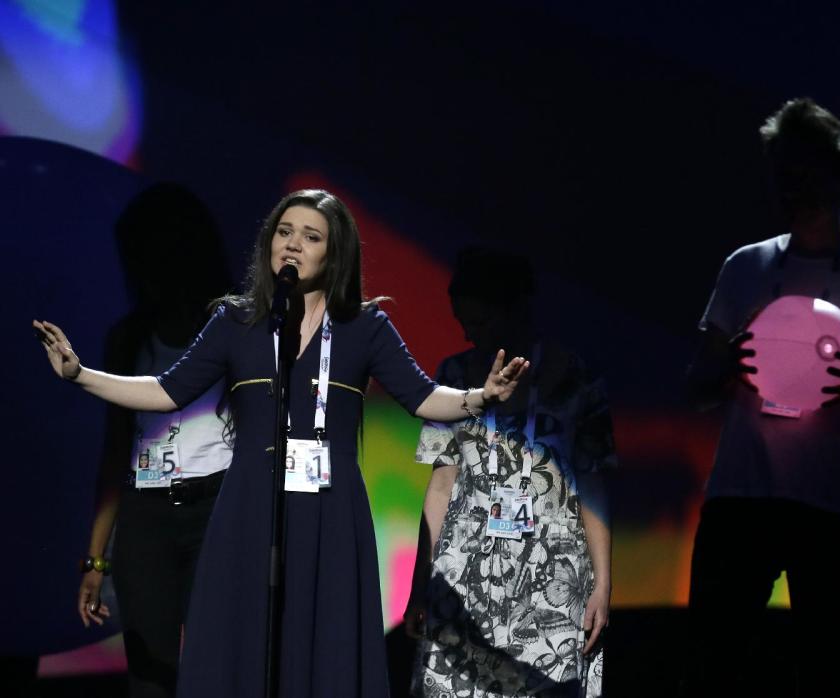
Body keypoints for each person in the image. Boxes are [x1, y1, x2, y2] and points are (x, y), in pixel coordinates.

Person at [34, 189, 529, 698]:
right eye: (284, 232)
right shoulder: (236, 321)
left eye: (310, 237)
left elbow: (425, 398)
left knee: (322, 649)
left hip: (330, 513)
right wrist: (81, 375)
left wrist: (480, 397)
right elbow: (166, 390)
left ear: (334, 254)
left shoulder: (365, 327)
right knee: (243, 646)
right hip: (248, 509)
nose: (293, 245)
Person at [683, 99, 840, 697]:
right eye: (782, 172)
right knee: (709, 671)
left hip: (832, 509)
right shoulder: (745, 268)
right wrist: (726, 373)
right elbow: (695, 390)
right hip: (740, 502)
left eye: (806, 171)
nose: (792, 186)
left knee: (824, 676)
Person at [405, 248, 615, 697]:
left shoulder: (575, 377)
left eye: (481, 321)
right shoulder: (455, 376)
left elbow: (593, 482)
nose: (469, 332)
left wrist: (603, 582)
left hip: (550, 578)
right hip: (464, 572)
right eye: (463, 321)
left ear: (516, 310)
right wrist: (420, 585)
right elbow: (441, 485)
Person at [77, 182, 234, 697]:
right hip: (145, 517)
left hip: (219, 509)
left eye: (150, 254)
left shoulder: (232, 327)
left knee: (221, 666)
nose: (141, 271)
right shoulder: (128, 339)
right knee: (149, 674)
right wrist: (96, 559)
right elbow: (114, 450)